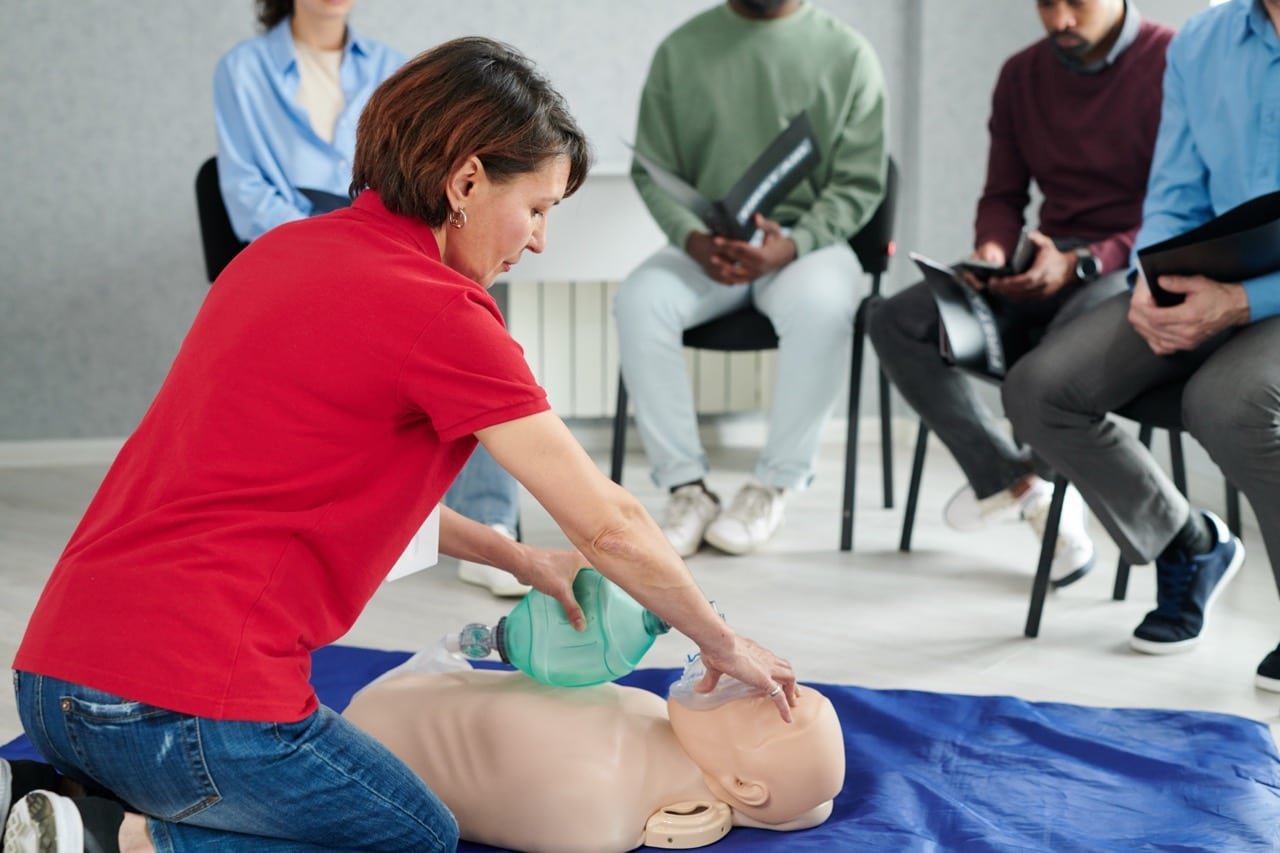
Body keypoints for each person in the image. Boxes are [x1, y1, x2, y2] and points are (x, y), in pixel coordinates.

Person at [6, 38, 799, 852]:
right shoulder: (443, 314)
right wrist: (720, 640)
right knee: (414, 836)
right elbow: (611, 524)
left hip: (49, 684)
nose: (538, 242)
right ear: (464, 183)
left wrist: (521, 559)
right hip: (183, 712)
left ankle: (50, 796)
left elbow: (301, 484)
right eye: (538, 208)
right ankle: (116, 839)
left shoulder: (276, 253)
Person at [1003, 0, 1279, 683]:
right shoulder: (1204, 41)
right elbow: (1175, 193)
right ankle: (1188, 542)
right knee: (1041, 389)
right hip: (1214, 270)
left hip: (1267, 296)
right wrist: (1151, 279)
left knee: (1228, 402)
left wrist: (1246, 302)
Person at [214, 0, 527, 598]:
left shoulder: (390, 66)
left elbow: (409, 171)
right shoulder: (244, 69)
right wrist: (330, 242)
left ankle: (491, 522)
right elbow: (245, 192)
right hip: (300, 242)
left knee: (470, 304)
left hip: (382, 225)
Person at [867, 0, 1173, 587]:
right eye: (1045, 3)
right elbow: (1003, 195)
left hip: (1131, 263)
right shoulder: (1021, 74)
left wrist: (1086, 260)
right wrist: (992, 251)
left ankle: (1049, 496)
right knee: (894, 320)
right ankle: (1019, 483)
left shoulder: (1172, 60)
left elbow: (1181, 208)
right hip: (1043, 257)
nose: (1059, 20)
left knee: (1052, 364)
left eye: (1075, 4)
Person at [616, 0, 887, 557]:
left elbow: (861, 182)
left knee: (824, 305)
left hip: (805, 245)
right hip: (706, 244)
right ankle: (686, 489)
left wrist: (794, 244)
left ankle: (773, 485)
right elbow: (651, 168)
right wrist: (692, 237)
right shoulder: (681, 50)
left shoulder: (849, 55)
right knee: (640, 300)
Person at [342, 661, 844, 853]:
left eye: (765, 710)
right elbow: (805, 806)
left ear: (742, 787)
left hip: (358, 758)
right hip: (392, 703)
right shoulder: (654, 715)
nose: (754, 687)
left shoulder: (600, 815)